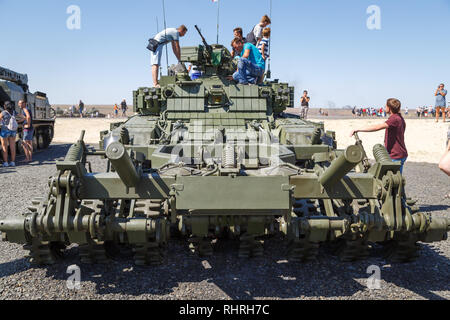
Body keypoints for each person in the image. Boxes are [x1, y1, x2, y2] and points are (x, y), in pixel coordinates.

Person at [350, 98, 408, 173]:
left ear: (389, 108)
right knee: (396, 178)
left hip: (395, 154)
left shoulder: (394, 119)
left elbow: (377, 127)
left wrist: (359, 129)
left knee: (393, 180)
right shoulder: (400, 118)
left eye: (385, 106)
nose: (384, 107)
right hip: (401, 153)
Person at [0, 102, 18, 167]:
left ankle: (6, 162)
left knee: (4, 147)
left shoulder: (3, 113)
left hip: (5, 130)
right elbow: (23, 117)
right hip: (13, 131)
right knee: (12, 147)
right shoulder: (14, 112)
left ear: (5, 106)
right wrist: (18, 121)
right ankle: (13, 162)